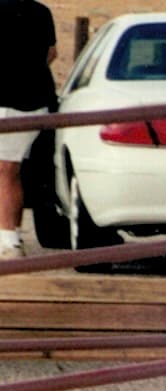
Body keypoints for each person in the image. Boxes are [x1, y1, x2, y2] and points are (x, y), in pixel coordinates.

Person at [0, 0, 58, 260]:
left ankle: (8, 240)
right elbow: (51, 53)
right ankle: (8, 238)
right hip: (33, 102)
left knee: (6, 170)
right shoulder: (40, 12)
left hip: (12, 103)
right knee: (9, 170)